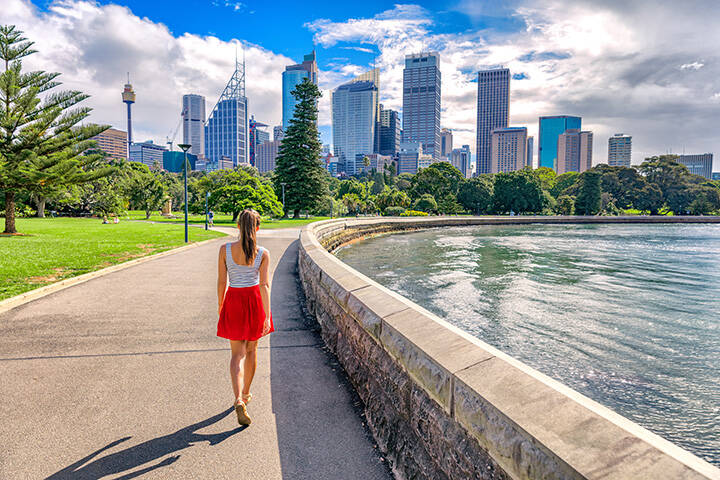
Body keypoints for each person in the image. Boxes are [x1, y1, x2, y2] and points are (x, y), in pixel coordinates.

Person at [216, 209, 274, 425]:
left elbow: (222, 282)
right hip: (254, 302)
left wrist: (222, 306)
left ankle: (238, 398)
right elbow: (264, 285)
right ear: (257, 227)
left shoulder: (225, 250)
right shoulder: (262, 253)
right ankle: (247, 395)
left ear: (238, 226)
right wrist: (267, 316)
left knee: (236, 354)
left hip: (233, 301)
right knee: (251, 351)